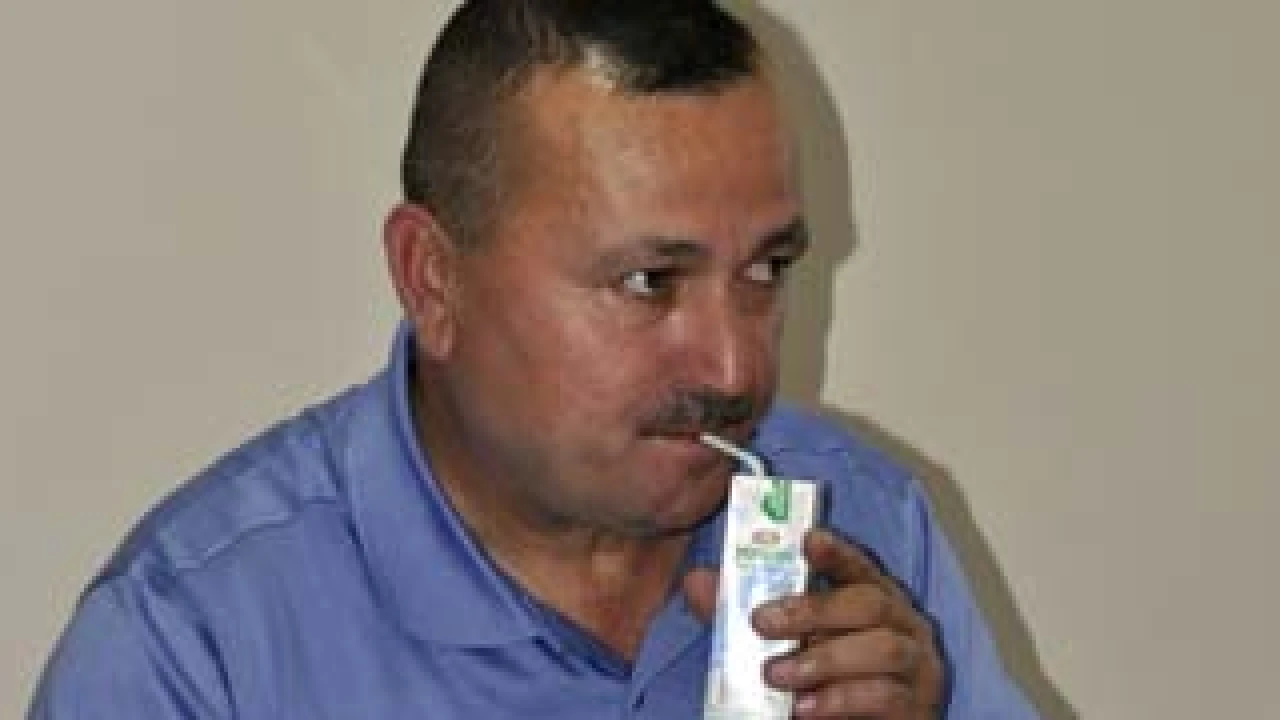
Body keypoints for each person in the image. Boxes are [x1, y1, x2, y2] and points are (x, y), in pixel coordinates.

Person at [29, 1, 1040, 718]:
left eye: (766, 269)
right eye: (649, 281)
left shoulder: (864, 527)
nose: (733, 368)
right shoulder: (195, 643)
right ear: (432, 280)